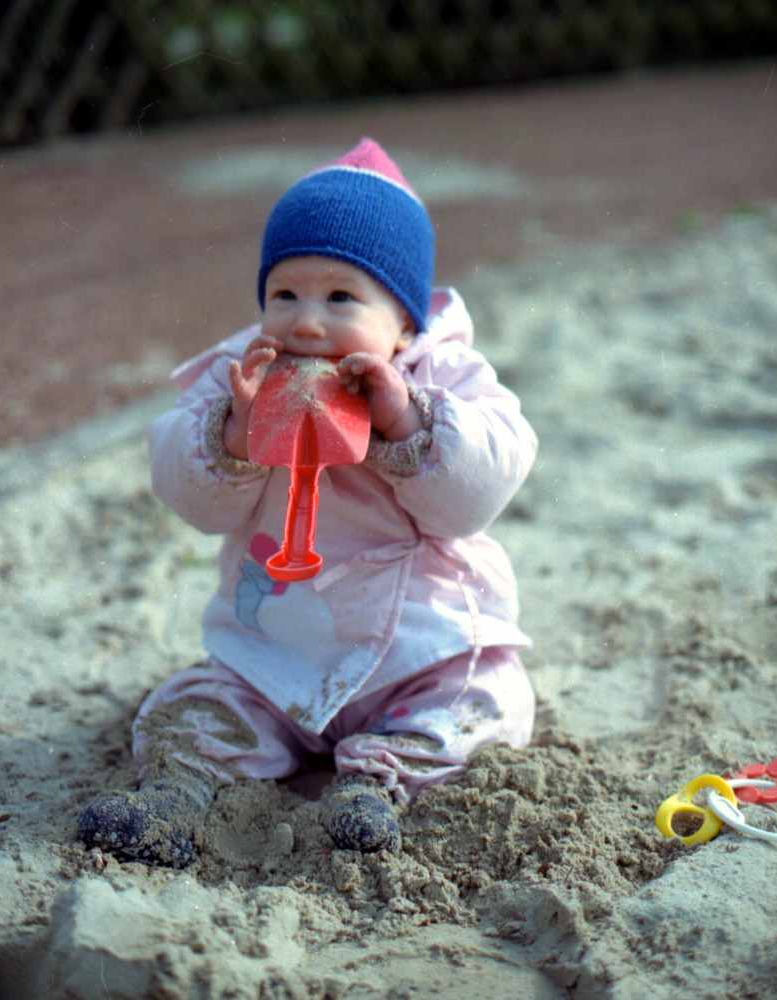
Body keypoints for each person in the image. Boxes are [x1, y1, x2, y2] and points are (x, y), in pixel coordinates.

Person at [77, 139, 538, 867]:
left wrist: (408, 424)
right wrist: (230, 431)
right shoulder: (240, 376)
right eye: (284, 294)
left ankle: (378, 779)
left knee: (486, 702)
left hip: (415, 647)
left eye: (341, 298)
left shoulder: (445, 378)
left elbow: (478, 495)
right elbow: (193, 499)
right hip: (275, 646)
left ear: (405, 321)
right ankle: (178, 790)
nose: (307, 323)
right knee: (190, 704)